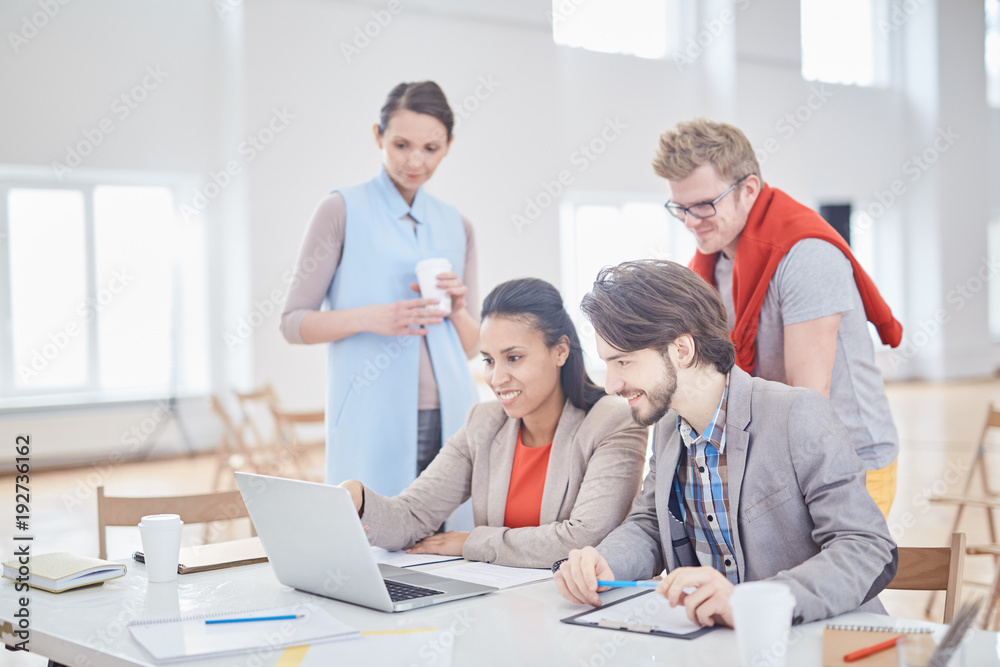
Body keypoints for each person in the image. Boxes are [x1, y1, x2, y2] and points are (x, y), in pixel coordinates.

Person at [555, 260, 897, 626]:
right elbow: (651, 524)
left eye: (623, 362)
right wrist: (605, 561)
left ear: (682, 350)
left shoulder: (796, 414)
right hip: (721, 648)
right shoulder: (670, 426)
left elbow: (867, 548)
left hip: (823, 644)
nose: (610, 385)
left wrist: (756, 602)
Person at [652, 118, 902, 517]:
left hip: (847, 457)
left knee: (825, 579)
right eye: (680, 208)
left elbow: (809, 402)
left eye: (703, 205)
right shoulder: (712, 261)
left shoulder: (806, 257)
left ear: (748, 190)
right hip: (775, 448)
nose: (690, 221)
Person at [339, 278, 648, 568]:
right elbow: (412, 516)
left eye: (513, 358)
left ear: (560, 351)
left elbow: (583, 539)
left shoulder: (614, 421)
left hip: (577, 601)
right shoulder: (483, 423)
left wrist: (473, 543)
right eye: (488, 360)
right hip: (500, 600)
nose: (497, 379)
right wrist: (360, 499)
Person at [281, 81, 479, 494]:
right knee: (372, 539)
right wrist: (373, 317)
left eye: (431, 148)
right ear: (378, 136)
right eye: (401, 144)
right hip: (372, 414)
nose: (415, 161)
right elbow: (293, 324)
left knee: (449, 544)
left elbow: (472, 347)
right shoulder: (341, 209)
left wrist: (458, 310)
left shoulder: (456, 224)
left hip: (454, 414)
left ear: (449, 145)